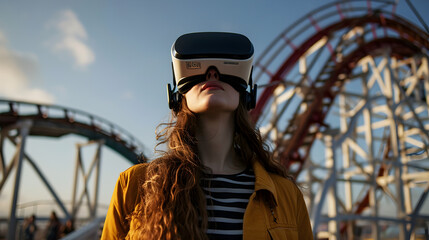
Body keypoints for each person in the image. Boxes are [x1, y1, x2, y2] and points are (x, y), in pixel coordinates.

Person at [101, 32, 313, 239]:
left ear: (248, 95)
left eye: (226, 67)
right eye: (198, 69)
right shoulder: (135, 185)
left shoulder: (287, 195)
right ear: (176, 97)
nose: (212, 73)